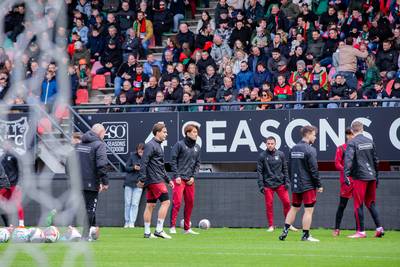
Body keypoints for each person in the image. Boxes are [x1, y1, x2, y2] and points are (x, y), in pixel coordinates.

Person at [279, 125, 323, 242]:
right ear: (308, 134)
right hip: (308, 185)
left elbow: (289, 167)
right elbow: (314, 169)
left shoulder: (293, 148)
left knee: (294, 208)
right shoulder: (311, 150)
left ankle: (285, 231)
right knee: (308, 210)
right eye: (314, 135)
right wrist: (318, 184)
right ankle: (305, 235)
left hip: (296, 184)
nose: (315, 137)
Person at [344, 121, 384, 238]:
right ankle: (379, 228)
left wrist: (346, 175)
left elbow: (348, 160)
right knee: (371, 203)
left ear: (352, 130)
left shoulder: (352, 143)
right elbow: (376, 160)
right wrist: (376, 176)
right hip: (372, 176)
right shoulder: (370, 141)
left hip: (360, 177)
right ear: (362, 129)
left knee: (358, 204)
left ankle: (361, 231)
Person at [137, 123, 174, 239]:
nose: (166, 134)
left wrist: (168, 179)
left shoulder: (158, 146)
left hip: (155, 179)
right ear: (157, 132)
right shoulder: (150, 145)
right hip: (154, 180)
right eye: (164, 132)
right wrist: (142, 179)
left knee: (150, 205)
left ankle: (147, 233)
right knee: (166, 202)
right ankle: (159, 230)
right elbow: (143, 163)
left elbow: (160, 166)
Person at [75, 124, 109, 241]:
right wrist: (105, 182)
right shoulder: (99, 145)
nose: (104, 136)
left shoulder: (79, 145)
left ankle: (93, 230)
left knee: (86, 208)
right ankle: (85, 236)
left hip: (78, 183)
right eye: (104, 133)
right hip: (91, 183)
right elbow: (102, 165)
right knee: (90, 209)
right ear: (100, 133)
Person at [257, 136, 295, 232]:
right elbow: (259, 172)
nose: (270, 145)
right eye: (268, 143)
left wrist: (287, 182)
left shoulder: (281, 154)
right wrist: (261, 185)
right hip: (268, 185)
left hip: (280, 184)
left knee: (287, 203)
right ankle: (271, 226)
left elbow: (285, 169)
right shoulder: (262, 156)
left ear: (275, 144)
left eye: (272, 143)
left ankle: (288, 225)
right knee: (269, 205)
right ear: (266, 144)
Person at [169, 124, 201, 235]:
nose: (196, 134)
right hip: (179, 179)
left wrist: (193, 176)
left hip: (190, 180)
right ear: (187, 133)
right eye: (193, 132)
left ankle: (187, 228)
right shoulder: (179, 145)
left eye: (196, 132)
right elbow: (172, 160)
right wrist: (176, 176)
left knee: (190, 203)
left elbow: (197, 164)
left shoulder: (197, 147)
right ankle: (172, 226)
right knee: (177, 202)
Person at [333, 128, 354, 237]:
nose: (351, 136)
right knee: (342, 205)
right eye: (349, 134)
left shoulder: (358, 148)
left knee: (358, 205)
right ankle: (336, 229)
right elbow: (337, 164)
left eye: (353, 134)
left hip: (358, 180)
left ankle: (360, 230)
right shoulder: (341, 148)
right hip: (346, 182)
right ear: (346, 135)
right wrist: (346, 171)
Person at [1, 141, 24, 227]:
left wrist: (19, 183)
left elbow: (21, 170)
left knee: (17, 204)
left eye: (7, 144)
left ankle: (21, 224)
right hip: (5, 185)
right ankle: (9, 225)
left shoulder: (15, 156)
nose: (5, 145)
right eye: (4, 144)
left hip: (14, 184)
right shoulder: (2, 157)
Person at [124, 143, 145, 228]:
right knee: (127, 203)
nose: (140, 150)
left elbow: (147, 171)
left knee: (135, 204)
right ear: (137, 150)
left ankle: (132, 222)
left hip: (139, 183)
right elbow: (126, 167)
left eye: (142, 149)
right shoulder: (132, 156)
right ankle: (127, 221)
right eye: (139, 149)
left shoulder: (146, 158)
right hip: (129, 183)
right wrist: (134, 167)